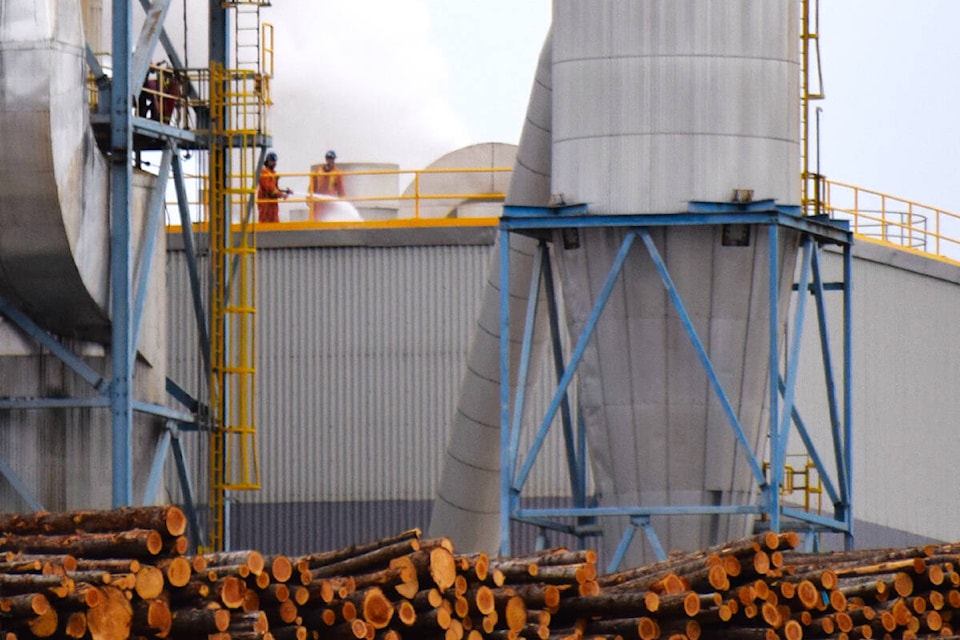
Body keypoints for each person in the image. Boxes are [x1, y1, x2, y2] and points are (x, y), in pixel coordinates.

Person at [310, 150, 345, 220]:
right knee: (317, 218)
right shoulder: (318, 170)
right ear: (326, 159)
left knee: (329, 218)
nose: (330, 161)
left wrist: (342, 200)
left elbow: (341, 188)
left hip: (330, 200)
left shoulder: (337, 172)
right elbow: (312, 184)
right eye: (329, 158)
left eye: (332, 159)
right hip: (319, 200)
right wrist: (309, 196)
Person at [257, 151, 291, 223]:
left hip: (272, 205)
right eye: (272, 161)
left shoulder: (273, 173)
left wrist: (285, 191)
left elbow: (275, 188)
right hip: (265, 204)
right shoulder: (264, 173)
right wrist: (281, 194)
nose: (274, 163)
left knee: (275, 224)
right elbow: (269, 189)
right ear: (267, 161)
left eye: (275, 161)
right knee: (265, 224)